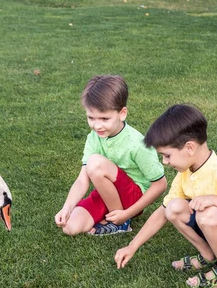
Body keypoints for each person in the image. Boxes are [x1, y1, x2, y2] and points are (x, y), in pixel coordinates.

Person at [114, 104, 217, 288]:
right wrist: (132, 246)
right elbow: (163, 212)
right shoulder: (185, 173)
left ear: (189, 148)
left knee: (208, 213)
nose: (165, 162)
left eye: (167, 155)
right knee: (174, 208)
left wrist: (215, 200)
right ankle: (208, 255)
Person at [55, 75, 167, 236]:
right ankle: (110, 214)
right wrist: (66, 208)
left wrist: (127, 214)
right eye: (91, 118)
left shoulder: (137, 143)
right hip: (106, 194)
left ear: (122, 113)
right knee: (70, 227)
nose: (97, 125)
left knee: (95, 163)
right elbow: (82, 180)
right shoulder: (93, 137)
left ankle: (120, 222)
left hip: (133, 199)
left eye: (104, 118)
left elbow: (160, 184)